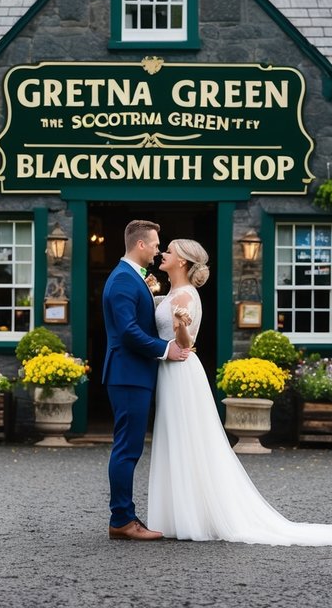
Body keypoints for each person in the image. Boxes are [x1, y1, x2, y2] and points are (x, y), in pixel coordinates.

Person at [146, 238, 332, 545]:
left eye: (169, 251)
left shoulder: (185, 295)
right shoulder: (172, 291)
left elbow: (184, 343)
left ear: (182, 261)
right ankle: (180, 513)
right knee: (176, 437)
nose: (163, 254)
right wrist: (150, 295)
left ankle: (193, 517)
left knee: (188, 438)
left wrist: (181, 325)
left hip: (181, 371)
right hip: (171, 372)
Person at [101, 219, 191, 540]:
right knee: (127, 448)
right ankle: (122, 521)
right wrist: (166, 349)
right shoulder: (124, 279)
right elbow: (128, 332)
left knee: (130, 447)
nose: (157, 250)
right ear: (140, 245)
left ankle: (124, 517)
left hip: (133, 374)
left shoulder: (131, 278)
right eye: (154, 244)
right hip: (128, 374)